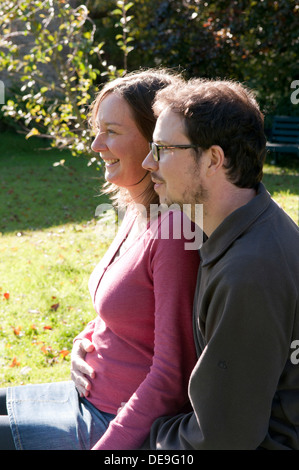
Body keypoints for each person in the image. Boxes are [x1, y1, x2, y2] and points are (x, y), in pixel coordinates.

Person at [0, 69, 200, 450]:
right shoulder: (138, 209)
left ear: (156, 139)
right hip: (87, 396)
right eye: (97, 129)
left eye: (111, 130)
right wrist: (83, 339)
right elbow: (127, 308)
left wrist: (109, 449)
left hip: (114, 421)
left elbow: (174, 377)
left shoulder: (175, 232)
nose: (95, 144)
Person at [142, 78, 299, 449]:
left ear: (213, 159)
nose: (149, 162)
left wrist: (147, 439)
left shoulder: (250, 271)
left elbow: (221, 439)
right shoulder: (250, 225)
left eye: (162, 149)